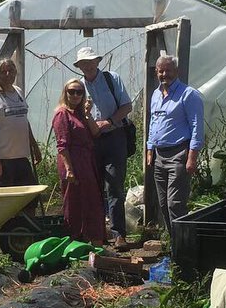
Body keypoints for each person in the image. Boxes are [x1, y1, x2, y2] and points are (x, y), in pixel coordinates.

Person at [73, 46, 133, 243]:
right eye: (84, 63)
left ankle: (118, 234)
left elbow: (127, 106)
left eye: (91, 61)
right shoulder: (78, 87)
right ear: (79, 66)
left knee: (114, 185)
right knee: (94, 186)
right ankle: (97, 233)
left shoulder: (111, 78)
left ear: (98, 62)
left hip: (115, 137)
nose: (88, 66)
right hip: (91, 141)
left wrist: (109, 121)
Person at [146, 54, 205, 233]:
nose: (165, 74)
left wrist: (192, 157)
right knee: (163, 203)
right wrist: (150, 149)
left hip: (179, 153)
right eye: (161, 71)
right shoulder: (156, 94)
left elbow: (197, 126)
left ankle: (183, 246)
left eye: (168, 70)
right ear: (156, 72)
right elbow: (153, 123)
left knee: (175, 203)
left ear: (176, 71)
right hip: (159, 154)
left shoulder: (188, 95)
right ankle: (173, 242)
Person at [52, 79, 106, 245]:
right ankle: (73, 240)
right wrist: (69, 169)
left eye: (79, 92)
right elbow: (62, 145)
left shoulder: (81, 114)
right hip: (72, 161)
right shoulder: (62, 114)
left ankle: (94, 240)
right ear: (65, 93)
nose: (75, 95)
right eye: (71, 91)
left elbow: (95, 132)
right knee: (74, 202)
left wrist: (88, 113)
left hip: (86, 162)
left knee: (92, 200)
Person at [0, 58, 41, 188]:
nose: (8, 74)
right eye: (3, 72)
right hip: (3, 160)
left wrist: (34, 145)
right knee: (1, 200)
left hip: (22, 157)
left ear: (15, 72)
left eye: (11, 71)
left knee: (28, 201)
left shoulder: (18, 92)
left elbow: (24, 121)